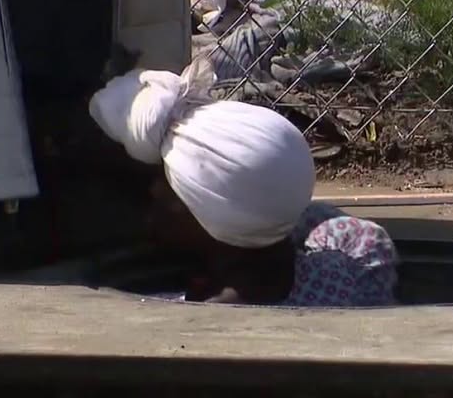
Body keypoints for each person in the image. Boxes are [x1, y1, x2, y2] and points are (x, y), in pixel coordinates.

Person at [90, 57, 398, 306]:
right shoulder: (350, 271)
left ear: (210, 220)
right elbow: (296, 212)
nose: (154, 191)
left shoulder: (180, 314)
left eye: (169, 185)